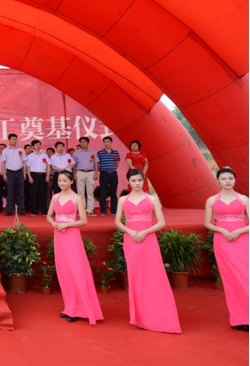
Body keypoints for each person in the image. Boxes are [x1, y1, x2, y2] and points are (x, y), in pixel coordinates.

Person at [114, 169, 181, 333]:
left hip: (148, 239)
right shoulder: (123, 199)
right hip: (131, 240)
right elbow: (117, 222)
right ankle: (140, 317)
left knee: (154, 276)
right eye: (133, 180)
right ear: (128, 182)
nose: (137, 183)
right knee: (136, 276)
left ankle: (159, 316)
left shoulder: (152, 199)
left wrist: (145, 232)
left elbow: (161, 222)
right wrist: (130, 232)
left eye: (139, 180)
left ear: (144, 180)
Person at [46, 169, 103, 325]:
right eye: (59, 180)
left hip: (72, 237)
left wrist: (66, 225)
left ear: (72, 181)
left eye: (65, 180)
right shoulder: (55, 197)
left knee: (76, 271)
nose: (62, 183)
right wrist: (55, 224)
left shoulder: (76, 198)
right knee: (64, 273)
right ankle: (70, 307)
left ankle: (80, 308)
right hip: (59, 237)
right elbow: (49, 216)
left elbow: (84, 221)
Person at [204, 167, 249, 332]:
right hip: (222, 241)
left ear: (235, 180)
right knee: (230, 280)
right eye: (224, 178)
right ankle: (238, 318)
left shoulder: (244, 199)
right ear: (218, 180)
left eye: (230, 178)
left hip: (242, 240)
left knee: (245, 276)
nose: (227, 181)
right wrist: (222, 230)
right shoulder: (211, 200)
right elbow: (207, 223)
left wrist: (239, 231)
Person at [1, 134, 27, 217]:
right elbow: (3, 163)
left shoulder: (20, 150)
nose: (14, 140)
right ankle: (9, 210)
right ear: (9, 140)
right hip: (10, 173)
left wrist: (24, 173)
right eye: (13, 139)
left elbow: (24, 162)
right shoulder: (5, 151)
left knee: (20, 192)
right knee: (10, 192)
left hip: (19, 172)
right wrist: (4, 174)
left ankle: (20, 210)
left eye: (16, 139)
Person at [72, 137, 99, 216]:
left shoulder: (92, 152)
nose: (83, 143)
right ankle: (81, 211)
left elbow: (96, 163)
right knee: (80, 193)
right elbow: (74, 165)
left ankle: (90, 210)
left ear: (88, 143)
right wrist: (74, 174)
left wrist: (96, 173)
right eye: (81, 142)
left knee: (90, 192)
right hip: (80, 172)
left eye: (84, 142)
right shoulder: (76, 153)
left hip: (90, 172)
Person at [26, 139, 51, 216]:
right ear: (33, 146)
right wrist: (29, 177)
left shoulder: (44, 155)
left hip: (43, 175)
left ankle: (44, 210)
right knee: (34, 193)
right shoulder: (30, 156)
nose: (38, 146)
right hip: (34, 175)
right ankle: (34, 211)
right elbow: (28, 167)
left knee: (43, 193)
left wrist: (48, 176)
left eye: (39, 144)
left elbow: (48, 165)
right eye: (36, 144)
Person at [97, 136, 121, 216]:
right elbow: (97, 164)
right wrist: (102, 170)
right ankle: (103, 211)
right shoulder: (100, 153)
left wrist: (112, 168)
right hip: (104, 174)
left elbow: (117, 163)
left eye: (108, 141)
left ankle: (114, 210)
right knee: (103, 193)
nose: (106, 143)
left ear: (111, 143)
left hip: (113, 174)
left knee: (113, 193)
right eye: (105, 142)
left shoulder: (116, 152)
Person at [24, 144, 33, 213]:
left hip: (32, 175)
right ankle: (26, 207)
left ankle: (33, 207)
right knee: (25, 192)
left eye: (30, 148)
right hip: (25, 175)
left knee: (32, 192)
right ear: (25, 149)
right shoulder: (22, 156)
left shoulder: (33, 156)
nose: (29, 150)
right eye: (28, 148)